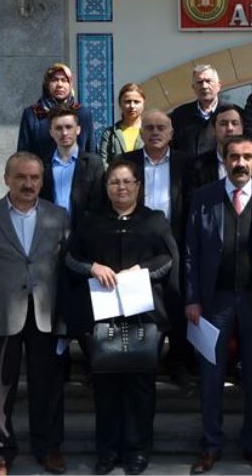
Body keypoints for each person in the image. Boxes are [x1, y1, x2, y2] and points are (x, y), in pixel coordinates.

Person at [64, 159, 181, 475]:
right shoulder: (91, 220)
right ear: (106, 187)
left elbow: (168, 259)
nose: (121, 187)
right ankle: (107, 451)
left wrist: (140, 270)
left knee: (140, 388)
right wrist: (92, 267)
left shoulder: (154, 220)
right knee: (105, 386)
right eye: (114, 182)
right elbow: (70, 257)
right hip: (102, 318)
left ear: (138, 187)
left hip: (143, 316)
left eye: (128, 181)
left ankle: (137, 451)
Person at [0, 152, 70, 476]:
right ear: (6, 179)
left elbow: (66, 270)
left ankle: (48, 448)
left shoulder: (58, 216)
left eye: (34, 177)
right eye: (21, 177)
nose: (28, 183)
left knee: (47, 387)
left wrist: (67, 318)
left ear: (42, 181)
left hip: (45, 314)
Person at [185, 136, 252, 474]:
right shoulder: (204, 197)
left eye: (247, 157)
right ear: (224, 160)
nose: (240, 163)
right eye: (233, 157)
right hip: (215, 301)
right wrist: (192, 298)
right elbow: (191, 253)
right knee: (210, 376)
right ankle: (210, 446)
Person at [121, 110, 194, 388]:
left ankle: (178, 361)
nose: (155, 132)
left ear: (171, 133)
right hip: (136, 243)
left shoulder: (186, 163)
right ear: (141, 133)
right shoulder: (127, 162)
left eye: (161, 127)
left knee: (175, 299)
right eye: (149, 127)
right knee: (139, 302)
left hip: (174, 241)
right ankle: (140, 359)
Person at [40, 105, 105, 230]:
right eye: (58, 128)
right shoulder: (42, 166)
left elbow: (98, 203)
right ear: (51, 132)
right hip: (50, 233)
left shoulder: (93, 163)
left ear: (78, 130)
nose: (64, 133)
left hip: (84, 233)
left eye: (69, 127)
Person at [17, 63, 95, 162]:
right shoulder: (34, 114)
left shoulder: (82, 114)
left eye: (64, 80)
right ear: (47, 84)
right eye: (54, 80)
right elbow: (23, 154)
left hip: (77, 170)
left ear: (70, 85)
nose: (59, 85)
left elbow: (91, 150)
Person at [187, 103, 246, 194]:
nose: (230, 128)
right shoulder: (197, 166)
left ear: (242, 128)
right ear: (213, 130)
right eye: (223, 124)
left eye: (235, 123)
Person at [169, 64, 222, 156]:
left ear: (219, 85)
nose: (204, 86)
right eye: (199, 82)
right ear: (193, 88)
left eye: (208, 81)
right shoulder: (179, 115)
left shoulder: (232, 112)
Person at [99, 83, 146, 165]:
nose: (132, 106)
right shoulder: (110, 134)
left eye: (136, 102)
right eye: (128, 101)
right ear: (120, 104)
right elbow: (102, 163)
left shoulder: (150, 132)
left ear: (143, 104)